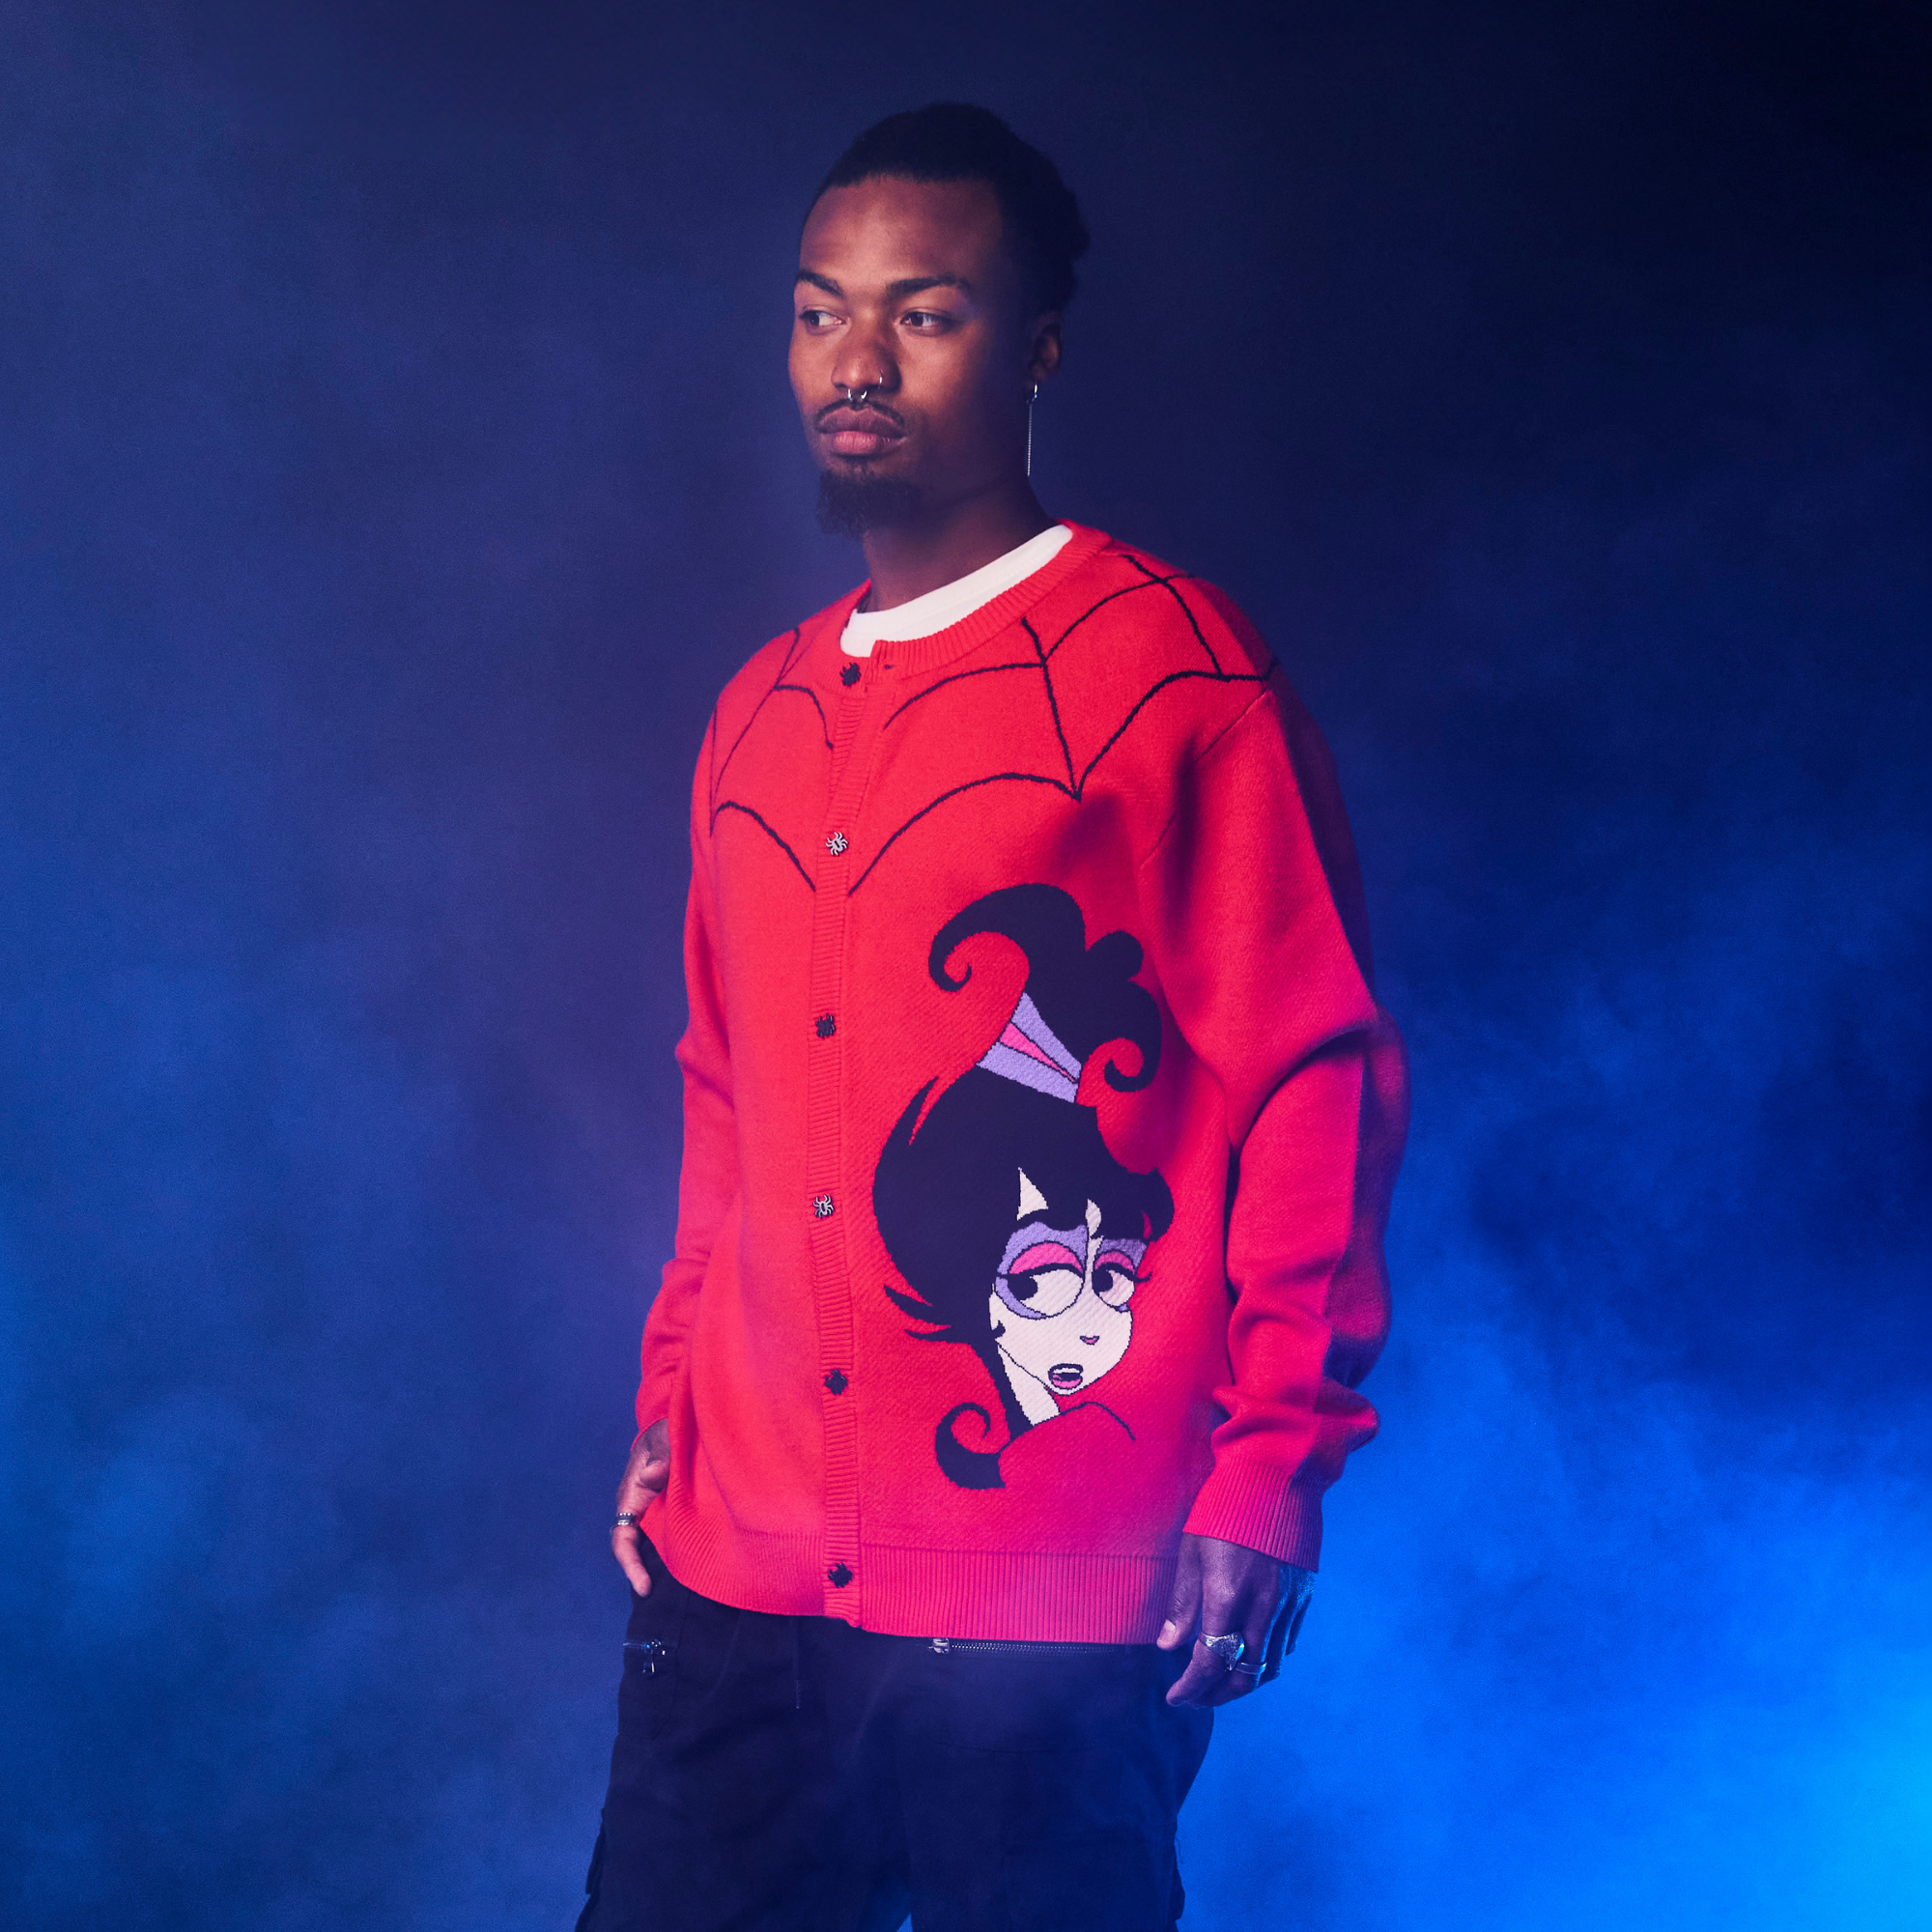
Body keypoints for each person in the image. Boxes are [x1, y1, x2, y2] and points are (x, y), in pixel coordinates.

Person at [577, 101, 1408, 1932]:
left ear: (1035, 347)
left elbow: (1313, 1082)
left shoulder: (1178, 675)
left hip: (1053, 1600)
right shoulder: (754, 715)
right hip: (733, 1583)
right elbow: (728, 1102)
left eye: (924, 311)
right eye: (820, 310)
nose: (856, 361)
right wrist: (669, 1401)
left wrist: (1271, 1471)